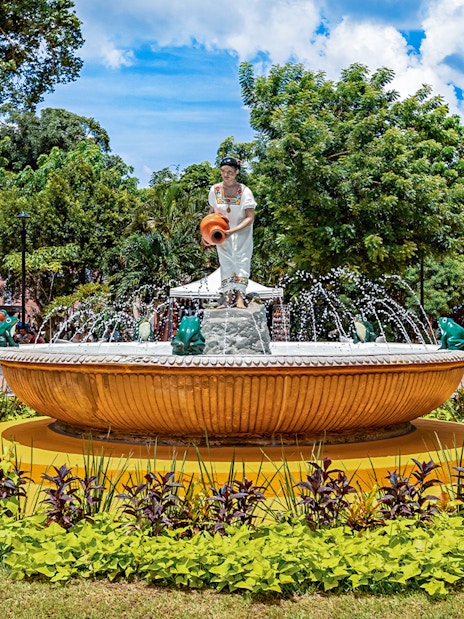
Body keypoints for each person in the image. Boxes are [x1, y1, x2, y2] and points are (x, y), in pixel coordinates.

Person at [207, 156, 256, 309]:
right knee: (226, 263)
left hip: (241, 235)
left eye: (229, 172)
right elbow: (211, 214)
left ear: (236, 172)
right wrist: (207, 234)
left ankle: (240, 298)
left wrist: (232, 231)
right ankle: (228, 299)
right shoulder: (214, 190)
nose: (226, 175)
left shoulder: (245, 191)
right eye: (223, 171)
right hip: (222, 235)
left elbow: (250, 218)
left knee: (241, 262)